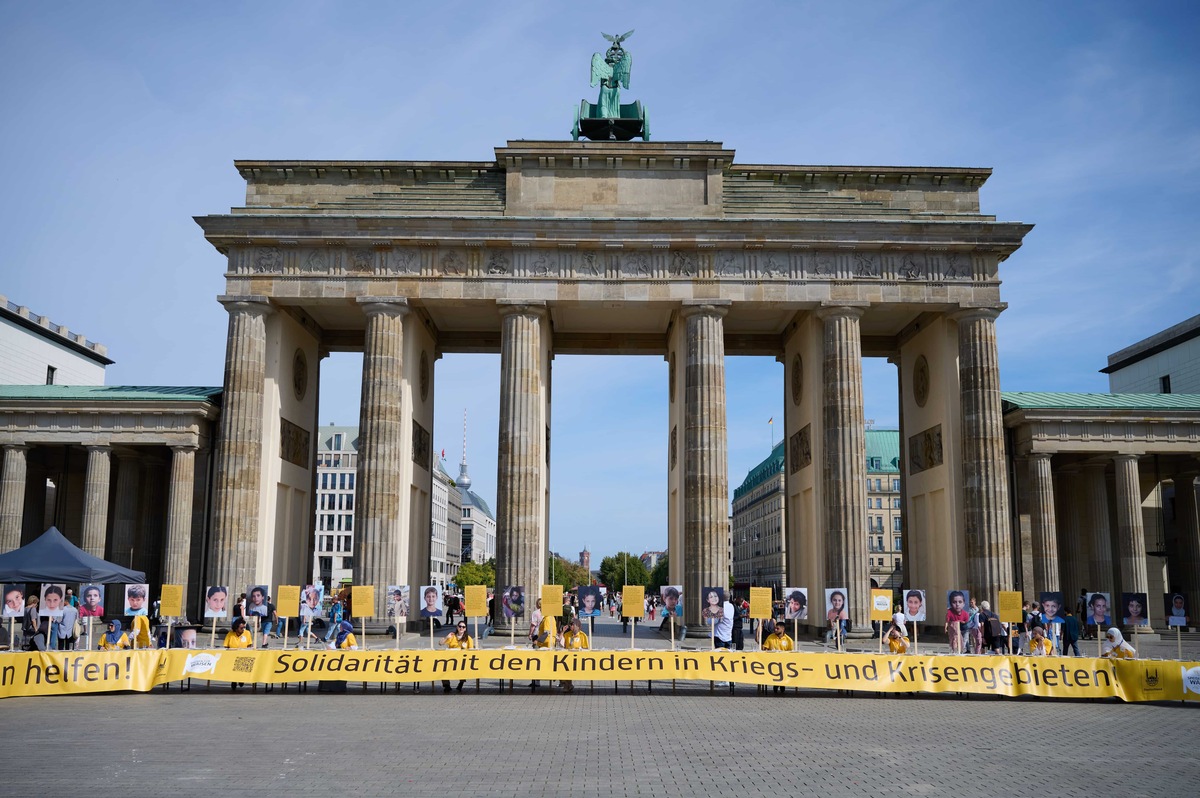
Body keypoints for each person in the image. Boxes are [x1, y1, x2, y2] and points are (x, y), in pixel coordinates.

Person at [439, 620, 474, 692]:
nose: (461, 628)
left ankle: (461, 683)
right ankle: (446, 685)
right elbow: (440, 643)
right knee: (443, 667)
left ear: (465, 629)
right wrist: (446, 637)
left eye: (463, 627)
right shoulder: (452, 636)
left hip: (462, 659)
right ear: (457, 627)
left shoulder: (468, 638)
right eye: (460, 626)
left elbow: (471, 649)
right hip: (451, 658)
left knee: (463, 667)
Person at [530, 602, 557, 692]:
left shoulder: (547, 618)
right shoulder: (550, 617)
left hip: (546, 643)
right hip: (549, 642)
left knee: (539, 662)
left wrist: (537, 641)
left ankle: (543, 678)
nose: (541, 610)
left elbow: (546, 632)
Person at [761, 621, 794, 693]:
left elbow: (791, 652)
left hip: (784, 662)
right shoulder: (770, 637)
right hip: (773, 662)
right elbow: (765, 648)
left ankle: (782, 685)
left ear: (783, 629)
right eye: (775, 628)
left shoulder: (788, 640)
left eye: (777, 629)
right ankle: (775, 685)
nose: (775, 630)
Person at [559, 617, 589, 692]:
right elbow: (561, 644)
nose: (571, 626)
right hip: (568, 657)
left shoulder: (582, 635)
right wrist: (562, 632)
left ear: (577, 626)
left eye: (572, 625)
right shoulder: (567, 634)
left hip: (578, 658)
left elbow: (586, 649)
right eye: (570, 625)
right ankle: (567, 684)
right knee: (563, 666)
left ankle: (568, 685)